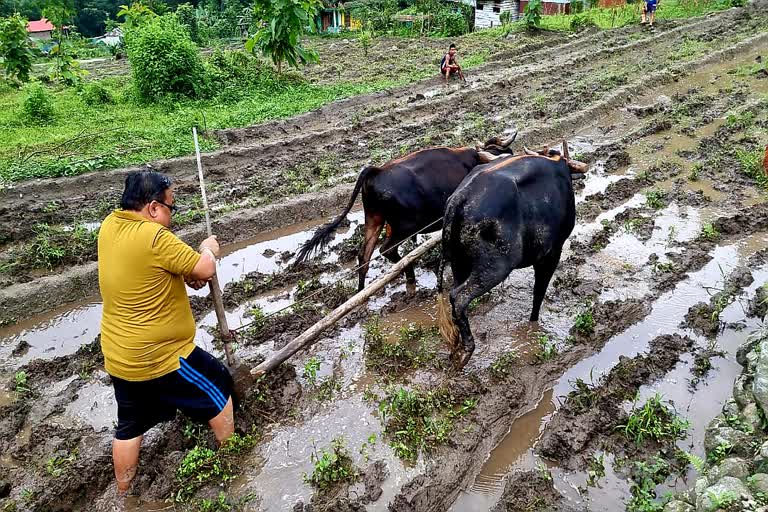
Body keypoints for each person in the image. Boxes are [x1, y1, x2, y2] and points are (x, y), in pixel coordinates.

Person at [97, 171, 235, 509]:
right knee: (218, 386)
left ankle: (123, 495)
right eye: (171, 207)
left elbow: (155, 273)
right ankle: (234, 460)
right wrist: (209, 250)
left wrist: (189, 273)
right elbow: (203, 269)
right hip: (161, 356)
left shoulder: (109, 228)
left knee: (130, 424)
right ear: (154, 208)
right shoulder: (154, 236)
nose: (172, 216)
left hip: (120, 357)